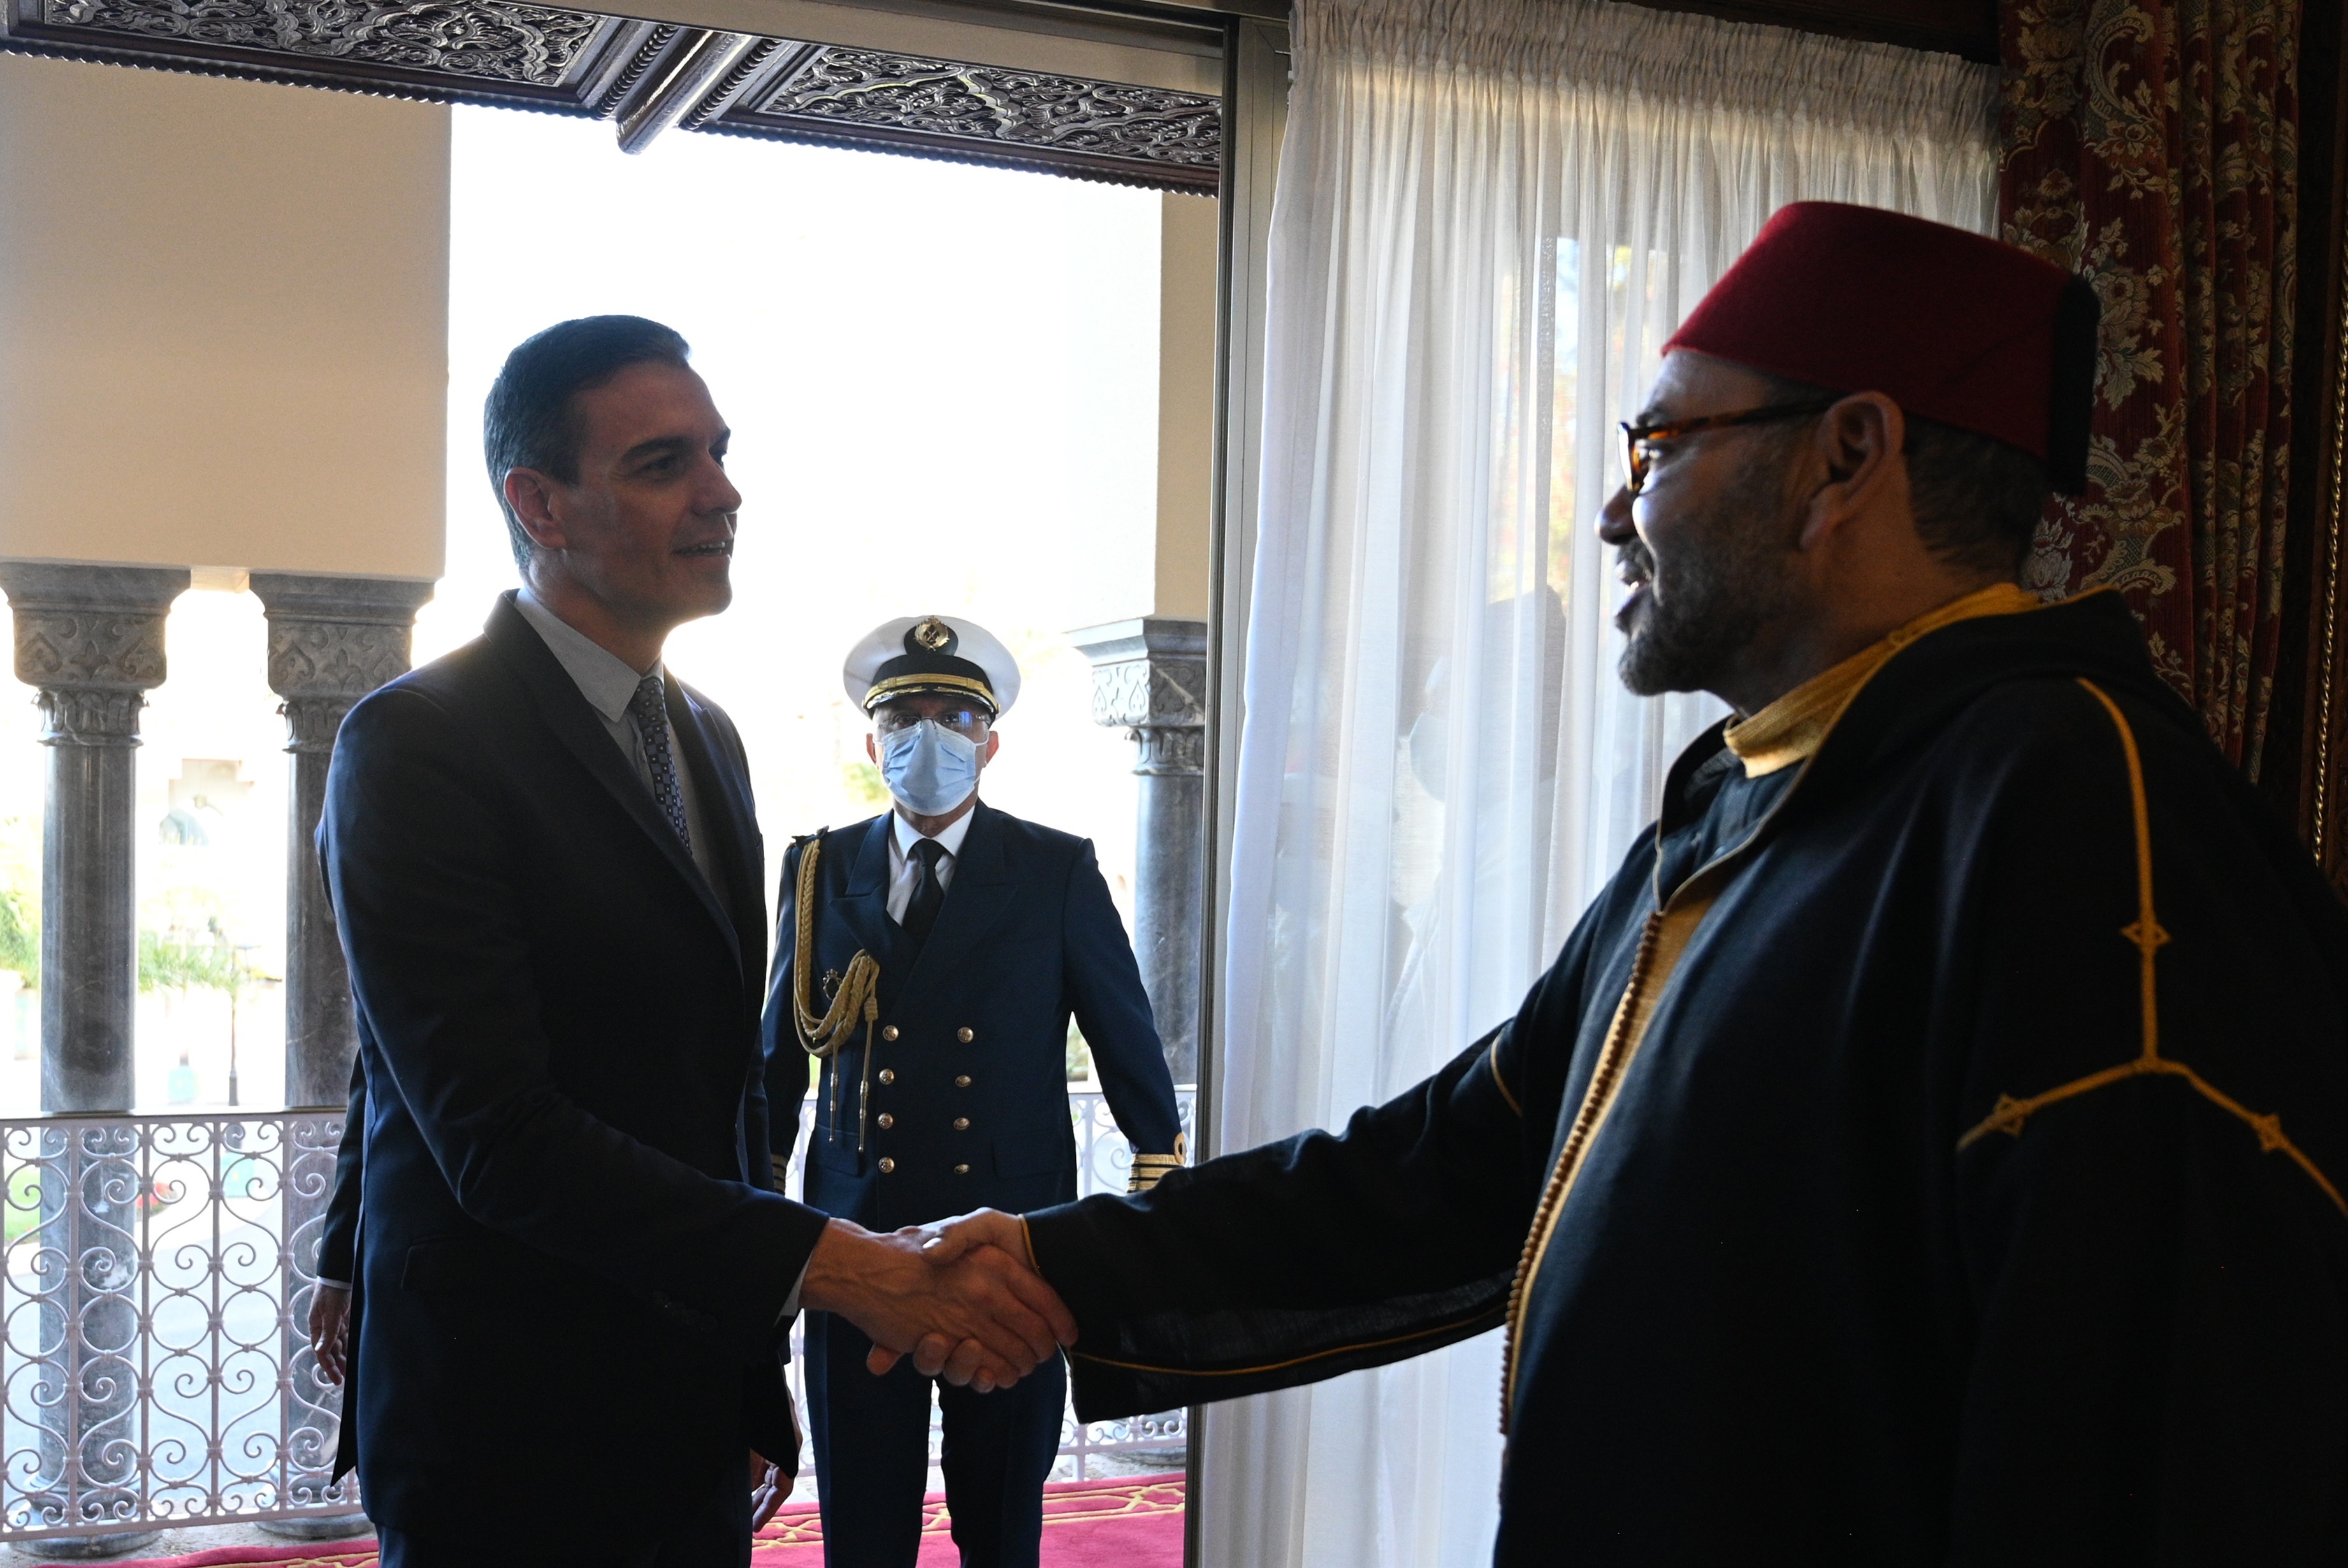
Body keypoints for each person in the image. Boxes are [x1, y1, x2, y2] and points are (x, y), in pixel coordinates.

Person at [909, 203, 2348, 1560]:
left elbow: (2158, 1429)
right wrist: (1058, 1259)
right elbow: (1457, 1162)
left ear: (1846, 457)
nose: (1611, 509)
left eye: (1655, 441)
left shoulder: (2075, 795)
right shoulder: (1740, 797)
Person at [314, 316, 1073, 1568]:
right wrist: (842, 1269)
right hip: (507, 1410)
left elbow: (715, 1097)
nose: (723, 492)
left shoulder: (707, 738)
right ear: (538, 503)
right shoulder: (420, 743)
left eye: (717, 453)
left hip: (686, 1391)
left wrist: (744, 1373)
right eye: (664, 464)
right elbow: (490, 1130)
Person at [761, 614, 1185, 1568]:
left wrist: (1158, 1173)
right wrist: (755, 1216)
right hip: (854, 1237)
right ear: (873, 744)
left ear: (990, 743)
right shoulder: (820, 869)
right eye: (905, 717)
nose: (929, 738)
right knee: (863, 1512)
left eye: (954, 717)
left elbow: (1123, 1036)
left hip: (1010, 1236)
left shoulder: (1053, 869)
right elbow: (779, 1062)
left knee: (1000, 1510)